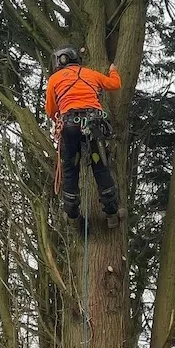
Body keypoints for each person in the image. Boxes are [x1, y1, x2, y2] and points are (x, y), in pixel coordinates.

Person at [45, 45, 126, 228]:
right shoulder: (91, 74)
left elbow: (51, 110)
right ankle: (112, 213)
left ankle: (73, 215)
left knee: (70, 169)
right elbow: (115, 85)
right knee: (101, 166)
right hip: (94, 125)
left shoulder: (54, 79)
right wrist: (113, 71)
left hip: (70, 127)